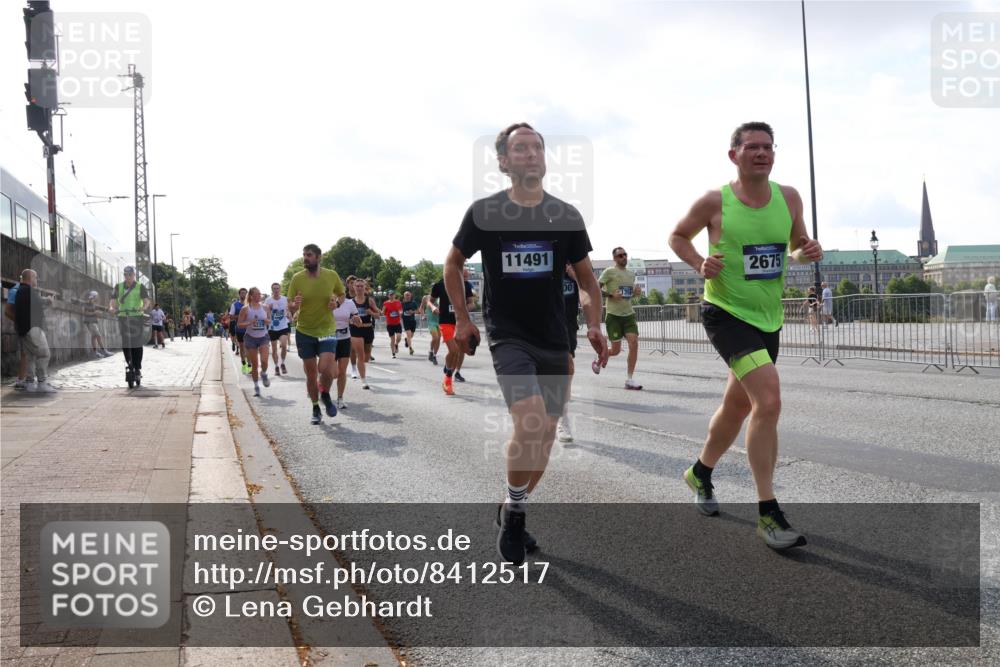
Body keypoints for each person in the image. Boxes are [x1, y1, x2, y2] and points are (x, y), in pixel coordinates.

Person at [447, 122, 608, 564]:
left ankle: (509, 505)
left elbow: (588, 281)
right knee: (531, 420)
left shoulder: (565, 215)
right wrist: (462, 318)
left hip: (555, 338)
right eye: (521, 148)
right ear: (503, 161)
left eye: (537, 146)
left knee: (546, 436)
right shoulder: (484, 213)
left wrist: (595, 324)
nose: (532, 153)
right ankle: (516, 516)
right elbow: (453, 263)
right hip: (509, 337)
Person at [668, 120, 823, 550]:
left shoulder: (789, 198)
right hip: (725, 313)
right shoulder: (714, 201)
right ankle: (768, 512)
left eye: (768, 147)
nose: (762, 153)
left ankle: (700, 472)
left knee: (737, 406)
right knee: (768, 401)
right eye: (752, 146)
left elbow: (795, 247)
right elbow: (677, 236)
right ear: (733, 154)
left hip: (768, 318)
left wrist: (806, 251)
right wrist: (699, 263)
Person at [286, 243, 345, 425]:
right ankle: (315, 407)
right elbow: (290, 305)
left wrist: (337, 303)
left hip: (327, 329)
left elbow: (341, 294)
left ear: (319, 257)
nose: (306, 258)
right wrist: (294, 305)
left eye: (309, 255)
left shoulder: (331, 275)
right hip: (305, 331)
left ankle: (325, 394)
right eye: (304, 255)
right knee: (311, 374)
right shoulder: (297, 278)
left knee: (326, 369)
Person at [596, 247, 643, 389]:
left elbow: (628, 295)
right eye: (620, 255)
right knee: (615, 351)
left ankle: (630, 379)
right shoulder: (609, 271)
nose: (624, 257)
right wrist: (611, 295)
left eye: (625, 254)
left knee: (634, 343)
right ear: (615, 259)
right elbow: (596, 288)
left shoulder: (631, 274)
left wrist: (636, 293)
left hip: (628, 315)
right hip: (613, 316)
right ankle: (601, 357)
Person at [13, 269, 57, 393]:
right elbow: (38, 302)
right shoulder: (28, 290)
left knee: (30, 357)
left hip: (24, 330)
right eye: (36, 277)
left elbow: (35, 307)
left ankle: (30, 383)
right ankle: (42, 383)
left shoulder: (21, 290)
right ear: (30, 278)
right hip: (33, 329)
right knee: (44, 354)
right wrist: (48, 300)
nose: (37, 280)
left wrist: (46, 301)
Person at [430, 276, 473, 395]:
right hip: (445, 321)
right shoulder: (439, 285)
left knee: (457, 352)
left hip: (460, 322)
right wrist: (433, 307)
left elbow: (471, 303)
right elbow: (430, 300)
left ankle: (448, 379)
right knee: (454, 350)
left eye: (465, 275)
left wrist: (464, 309)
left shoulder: (466, 285)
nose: (464, 277)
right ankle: (448, 377)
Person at [111, 265, 151, 387]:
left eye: (130, 274)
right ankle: (129, 363)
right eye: (125, 274)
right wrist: (112, 308)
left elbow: (146, 301)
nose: (127, 277)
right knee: (125, 342)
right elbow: (113, 300)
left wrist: (143, 307)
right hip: (123, 316)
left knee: (137, 342)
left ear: (134, 275)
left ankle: (137, 367)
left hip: (136, 317)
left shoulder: (140, 286)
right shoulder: (118, 287)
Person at [557, 262, 581, 443]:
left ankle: (561, 415)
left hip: (569, 326)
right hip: (545, 324)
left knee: (568, 369)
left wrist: (576, 277)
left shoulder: (576, 269)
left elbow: (591, 290)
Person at [237, 287, 272, 397]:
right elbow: (239, 324)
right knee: (255, 364)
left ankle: (264, 373)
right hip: (250, 337)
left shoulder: (265, 307)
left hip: (263, 337)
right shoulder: (245, 309)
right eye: (256, 294)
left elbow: (270, 320)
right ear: (251, 296)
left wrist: (266, 321)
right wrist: (250, 322)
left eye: (259, 294)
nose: (259, 296)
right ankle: (256, 387)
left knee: (264, 361)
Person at [332, 291, 363, 409]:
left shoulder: (350, 303)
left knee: (342, 371)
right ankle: (322, 388)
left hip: (345, 339)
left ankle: (340, 398)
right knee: (332, 372)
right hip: (329, 339)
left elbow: (358, 322)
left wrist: (356, 320)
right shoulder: (328, 301)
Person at [348, 278, 380, 390]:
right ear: (354, 287)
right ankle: (364, 380)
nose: (359, 288)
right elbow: (346, 317)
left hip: (368, 329)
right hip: (355, 330)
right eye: (357, 286)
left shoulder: (369, 301)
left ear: (365, 287)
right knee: (360, 355)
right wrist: (351, 321)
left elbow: (378, 315)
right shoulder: (350, 302)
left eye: (361, 286)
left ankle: (359, 363)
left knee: (366, 357)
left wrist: (371, 313)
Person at [5, 280, 33, 388]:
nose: (36, 281)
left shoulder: (27, 290)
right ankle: (21, 380)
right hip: (23, 326)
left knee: (28, 352)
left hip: (29, 326)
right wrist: (20, 321)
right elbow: (7, 311)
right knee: (25, 352)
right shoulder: (16, 290)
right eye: (35, 278)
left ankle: (25, 379)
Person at [265, 282, 291, 376]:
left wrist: (289, 315)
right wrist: (269, 309)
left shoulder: (285, 299)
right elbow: (264, 313)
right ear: (272, 290)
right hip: (272, 327)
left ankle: (282, 363)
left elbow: (288, 310)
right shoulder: (268, 300)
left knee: (284, 345)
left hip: (283, 326)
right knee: (274, 349)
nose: (276, 290)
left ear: (280, 289)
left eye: (277, 288)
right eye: (274, 288)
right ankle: (276, 366)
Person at [83, 291, 112, 358]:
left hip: (93, 322)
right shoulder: (87, 304)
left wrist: (98, 314)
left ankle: (95, 352)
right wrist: (95, 313)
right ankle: (104, 351)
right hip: (90, 322)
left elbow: (93, 313)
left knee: (93, 337)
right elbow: (85, 313)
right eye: (96, 297)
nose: (96, 298)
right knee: (98, 336)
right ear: (93, 297)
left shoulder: (93, 304)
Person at [229, 288, 250, 373]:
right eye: (242, 293)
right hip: (240, 329)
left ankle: (249, 365)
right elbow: (231, 316)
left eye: (245, 293)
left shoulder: (250, 304)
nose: (243, 295)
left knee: (248, 348)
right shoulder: (235, 305)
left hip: (249, 329)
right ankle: (244, 365)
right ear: (239, 294)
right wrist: (241, 315)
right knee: (242, 347)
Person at [420, 293, 441, 365]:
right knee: (435, 337)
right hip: (431, 321)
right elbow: (421, 308)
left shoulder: (441, 297)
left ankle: (434, 356)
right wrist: (423, 316)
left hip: (440, 321)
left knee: (438, 339)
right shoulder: (426, 297)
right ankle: (431, 351)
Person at [382, 289, 404, 358]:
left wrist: (400, 312)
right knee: (392, 339)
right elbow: (383, 312)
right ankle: (393, 353)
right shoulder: (386, 303)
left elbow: (400, 310)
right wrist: (381, 312)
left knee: (399, 337)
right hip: (390, 324)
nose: (391, 296)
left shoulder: (398, 302)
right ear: (388, 296)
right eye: (390, 295)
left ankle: (396, 344)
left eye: (392, 295)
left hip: (397, 323)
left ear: (395, 295)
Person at [401, 290, 420, 355]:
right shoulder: (402, 304)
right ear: (404, 296)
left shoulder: (413, 303)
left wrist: (412, 312)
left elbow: (418, 311)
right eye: (406, 295)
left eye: (408, 295)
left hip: (412, 321)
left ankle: (406, 340)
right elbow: (399, 310)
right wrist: (400, 313)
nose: (407, 296)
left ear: (410, 296)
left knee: (411, 336)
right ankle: (410, 349)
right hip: (406, 321)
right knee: (409, 335)